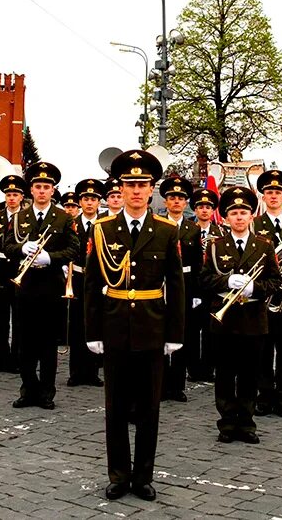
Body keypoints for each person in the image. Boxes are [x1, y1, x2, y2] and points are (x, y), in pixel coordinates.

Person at [84, 150, 185, 502]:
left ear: (152, 189)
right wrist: (92, 331)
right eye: (130, 185)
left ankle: (143, 476)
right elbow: (91, 286)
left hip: (153, 327)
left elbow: (176, 285)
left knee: (148, 408)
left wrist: (174, 334)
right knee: (114, 406)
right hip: (114, 327)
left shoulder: (166, 231)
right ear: (120, 189)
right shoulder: (102, 230)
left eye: (143, 185)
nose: (137, 191)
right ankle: (118, 474)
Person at [202, 186, 281, 444]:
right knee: (224, 374)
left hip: (253, 320)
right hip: (224, 320)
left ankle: (246, 423)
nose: (239, 217)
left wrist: (254, 287)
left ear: (251, 217)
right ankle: (226, 423)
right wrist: (226, 281)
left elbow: (275, 281)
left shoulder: (264, 246)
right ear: (225, 217)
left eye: (244, 212)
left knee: (250, 374)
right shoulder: (215, 246)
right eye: (234, 213)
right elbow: (205, 279)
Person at [1, 162, 79, 409]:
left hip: (51, 283)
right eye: (37, 186)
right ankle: (28, 389)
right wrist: (22, 249)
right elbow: (6, 246)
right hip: (26, 283)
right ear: (31, 190)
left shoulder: (64, 218)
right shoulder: (19, 217)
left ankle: (47, 392)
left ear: (53, 190)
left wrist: (51, 258)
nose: (42, 191)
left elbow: (74, 247)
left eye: (46, 187)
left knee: (47, 342)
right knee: (25, 340)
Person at [252, 169, 282, 416]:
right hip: (262, 297)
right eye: (269, 192)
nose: (273, 196)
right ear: (263, 196)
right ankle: (263, 395)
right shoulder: (255, 224)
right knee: (262, 349)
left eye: (278, 192)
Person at [159, 176, 201, 403]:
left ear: (186, 203)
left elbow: (197, 265)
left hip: (184, 283)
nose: (176, 202)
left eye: (180, 198)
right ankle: (162, 383)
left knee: (182, 333)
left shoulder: (192, 229)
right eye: (172, 198)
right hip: (161, 283)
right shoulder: (157, 224)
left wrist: (195, 293)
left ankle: (177, 385)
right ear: (165, 202)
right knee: (161, 332)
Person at [66, 178, 105, 387]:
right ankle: (75, 372)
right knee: (76, 326)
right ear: (80, 202)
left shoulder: (104, 225)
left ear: (99, 202)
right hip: (77, 277)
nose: (89, 203)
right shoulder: (71, 224)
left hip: (98, 280)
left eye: (93, 199)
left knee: (95, 323)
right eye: (86, 199)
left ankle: (92, 372)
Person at [0, 175, 27, 374]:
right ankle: (0, 358)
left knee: (19, 315)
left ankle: (17, 358)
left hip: (20, 268)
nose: (12, 198)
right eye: (9, 194)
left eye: (15, 195)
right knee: (0, 315)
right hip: (1, 268)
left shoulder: (27, 217)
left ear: (21, 197)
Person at [188, 187, 226, 382]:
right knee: (193, 331)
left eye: (208, 207)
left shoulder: (221, 232)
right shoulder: (187, 230)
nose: (204, 210)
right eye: (200, 207)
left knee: (212, 331)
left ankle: (209, 367)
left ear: (213, 211)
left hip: (213, 287)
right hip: (193, 286)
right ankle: (194, 368)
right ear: (195, 210)